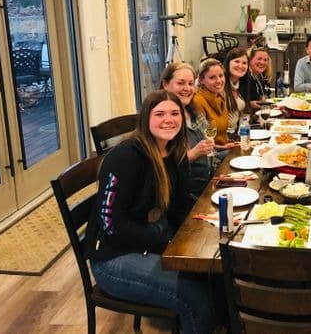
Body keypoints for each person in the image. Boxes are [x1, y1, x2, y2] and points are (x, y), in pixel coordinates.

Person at [85, 90, 214, 334]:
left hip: (155, 242)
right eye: (160, 114)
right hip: (114, 258)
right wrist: (165, 241)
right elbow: (112, 226)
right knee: (196, 298)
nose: (169, 119)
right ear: (146, 118)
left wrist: (203, 223)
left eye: (175, 113)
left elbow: (179, 205)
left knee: (215, 275)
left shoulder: (173, 151)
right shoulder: (125, 158)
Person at [160, 62, 215, 198]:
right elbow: (162, 166)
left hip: (208, 182)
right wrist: (194, 153)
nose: (187, 88)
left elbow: (208, 139)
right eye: (181, 83)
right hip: (187, 194)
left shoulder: (193, 110)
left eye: (191, 84)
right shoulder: (162, 121)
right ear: (166, 84)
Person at [192, 58, 235, 149]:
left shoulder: (220, 96)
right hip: (212, 154)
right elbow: (202, 140)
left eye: (221, 76)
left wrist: (226, 141)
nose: (219, 81)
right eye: (212, 77)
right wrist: (222, 147)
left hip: (224, 146)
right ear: (201, 80)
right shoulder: (198, 101)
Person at [223, 47, 248, 135]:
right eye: (237, 61)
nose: (240, 66)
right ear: (228, 63)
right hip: (223, 137)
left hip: (236, 134)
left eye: (244, 63)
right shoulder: (220, 83)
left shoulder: (240, 84)